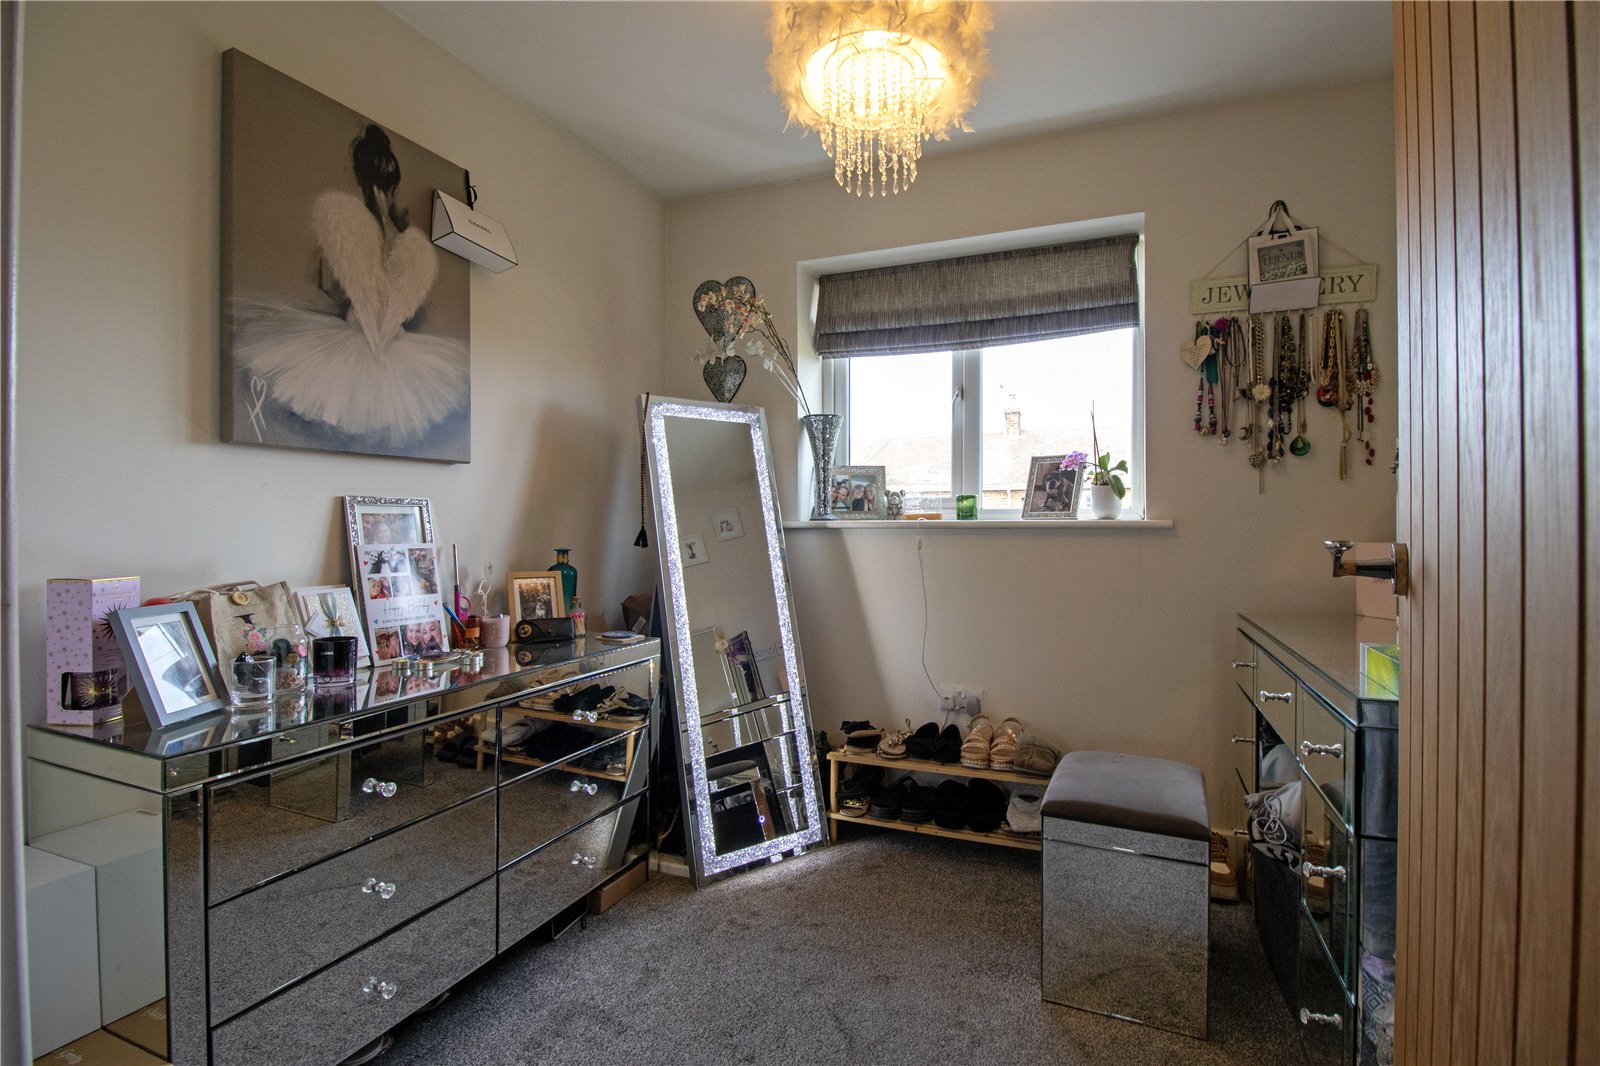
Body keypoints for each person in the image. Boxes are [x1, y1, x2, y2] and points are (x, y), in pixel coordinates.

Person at [232, 124, 467, 446]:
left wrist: (354, 287)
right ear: (394, 184)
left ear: (360, 176)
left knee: (337, 428)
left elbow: (328, 283)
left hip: (357, 332)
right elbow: (404, 304)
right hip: (394, 341)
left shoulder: (347, 224)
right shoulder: (409, 242)